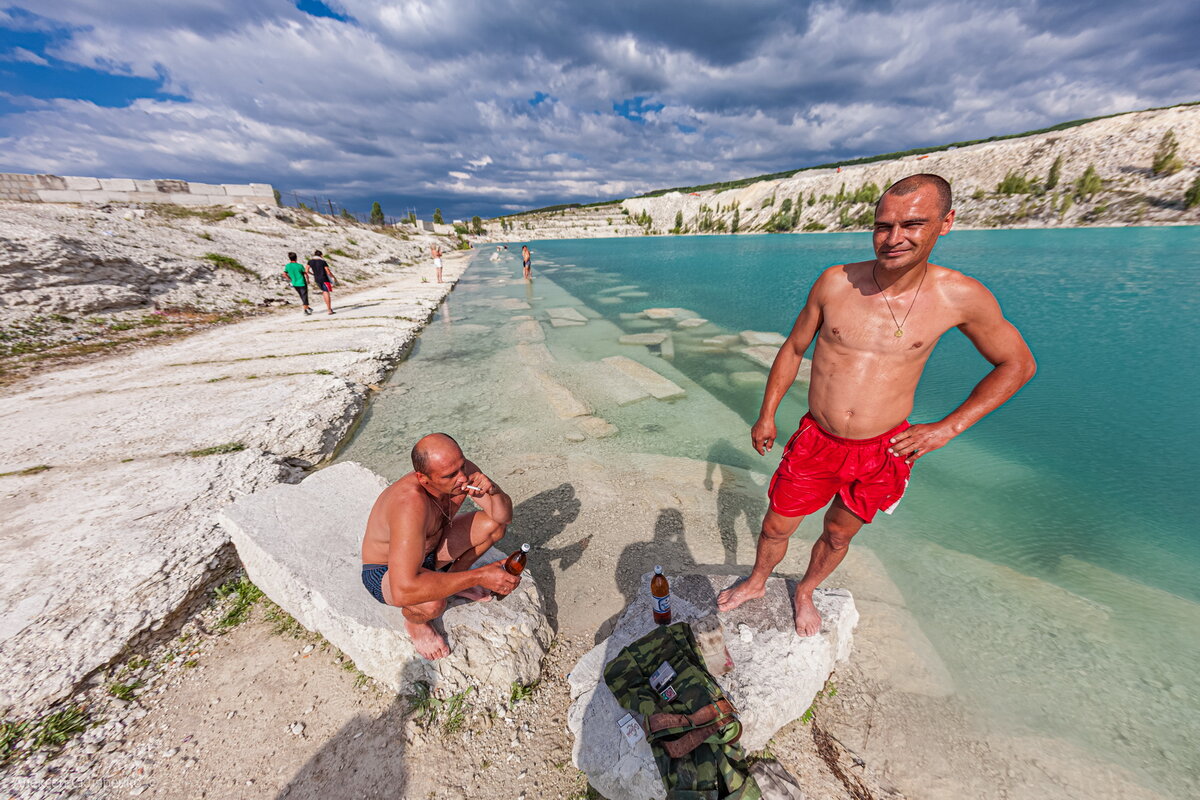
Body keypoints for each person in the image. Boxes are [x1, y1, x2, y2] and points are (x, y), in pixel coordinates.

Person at [717, 174, 1036, 637]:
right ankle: (758, 581)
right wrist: (767, 413)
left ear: (945, 223)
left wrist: (946, 428)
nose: (894, 238)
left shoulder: (959, 296)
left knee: (839, 534)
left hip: (883, 450)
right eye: (883, 225)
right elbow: (793, 349)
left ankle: (805, 591)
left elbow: (1017, 365)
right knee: (775, 527)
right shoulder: (835, 282)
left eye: (912, 224)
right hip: (817, 440)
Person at [360, 433, 519, 659]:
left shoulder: (461, 473)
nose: (463, 478)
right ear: (424, 479)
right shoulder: (410, 504)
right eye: (451, 475)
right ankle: (414, 623)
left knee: (494, 526)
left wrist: (494, 491)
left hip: (430, 552)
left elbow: (503, 516)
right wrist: (479, 576)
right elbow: (402, 587)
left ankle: (453, 580)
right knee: (433, 605)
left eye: (462, 465)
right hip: (387, 571)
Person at [306, 250, 337, 315]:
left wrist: (313, 274)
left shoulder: (310, 261)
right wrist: (333, 277)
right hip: (324, 278)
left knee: (323, 291)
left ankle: (329, 308)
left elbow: (306, 270)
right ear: (321, 255)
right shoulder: (322, 261)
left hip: (317, 279)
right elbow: (328, 271)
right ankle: (329, 309)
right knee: (326, 292)